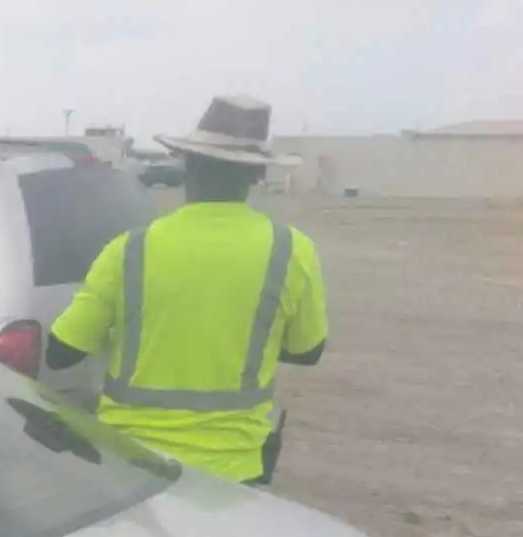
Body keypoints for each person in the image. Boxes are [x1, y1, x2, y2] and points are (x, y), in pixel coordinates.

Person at [46, 95, 328, 485]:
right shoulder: (292, 250)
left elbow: (61, 352)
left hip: (132, 462)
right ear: (255, 176)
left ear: (188, 166)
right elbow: (307, 350)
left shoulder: (131, 249)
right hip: (236, 467)